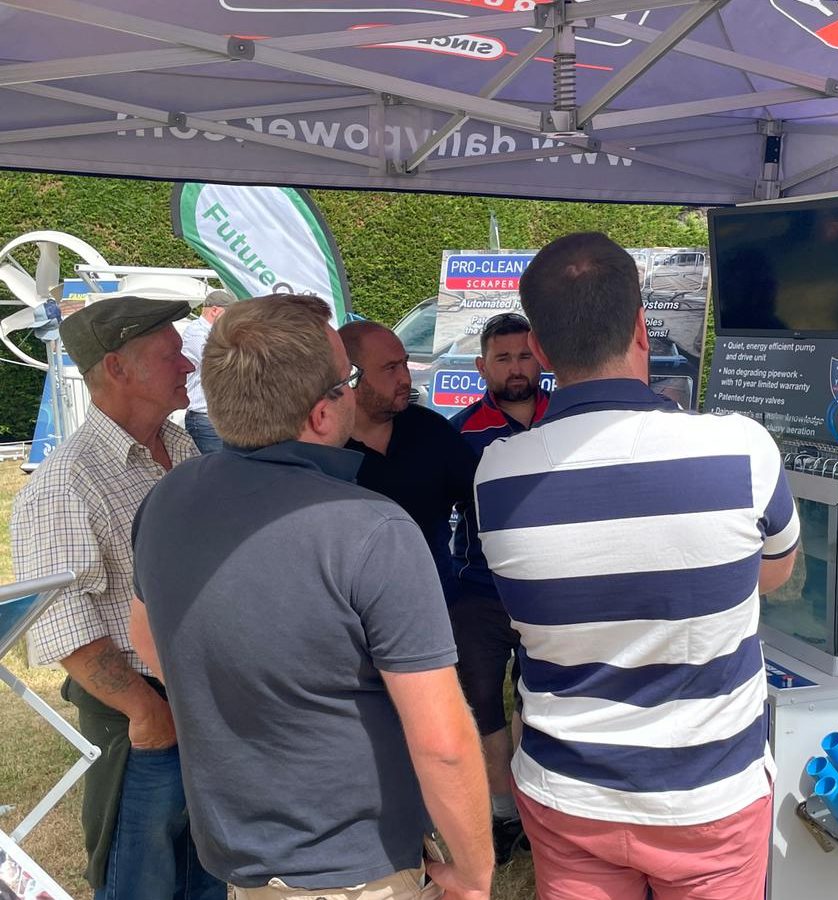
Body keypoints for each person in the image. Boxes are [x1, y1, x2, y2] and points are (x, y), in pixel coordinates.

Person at [127, 294, 493, 900]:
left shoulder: (167, 497)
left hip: (241, 857)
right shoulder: (372, 528)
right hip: (358, 867)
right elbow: (443, 741)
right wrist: (477, 877)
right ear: (323, 414)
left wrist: (255, 704)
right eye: (348, 380)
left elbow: (150, 639)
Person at [474, 233, 801, 899]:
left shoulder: (496, 473)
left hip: (567, 795)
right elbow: (774, 574)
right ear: (641, 329)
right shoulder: (742, 450)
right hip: (709, 797)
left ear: (538, 349)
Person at [10, 296, 224, 900]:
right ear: (118, 368)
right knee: (143, 880)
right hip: (138, 718)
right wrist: (147, 714)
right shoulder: (65, 483)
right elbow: (64, 630)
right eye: (170, 353)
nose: (188, 365)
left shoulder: (181, 448)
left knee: (207, 875)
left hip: (199, 707)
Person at [449, 312, 549, 862]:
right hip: (480, 590)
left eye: (524, 355)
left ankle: (539, 809)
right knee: (481, 700)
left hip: (549, 591)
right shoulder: (459, 432)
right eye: (503, 357)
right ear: (481, 365)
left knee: (541, 700)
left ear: (542, 358)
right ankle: (502, 816)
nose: (515, 368)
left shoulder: (567, 418)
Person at [338, 320, 477, 604]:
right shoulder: (323, 446)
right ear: (350, 375)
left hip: (433, 607)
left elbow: (479, 499)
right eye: (390, 368)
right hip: (349, 617)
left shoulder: (431, 431)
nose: (405, 378)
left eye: (405, 364)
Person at [181, 289, 234, 453]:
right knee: (217, 472)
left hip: (214, 418)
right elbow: (221, 364)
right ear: (215, 310)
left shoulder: (213, 334)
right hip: (204, 418)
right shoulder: (196, 333)